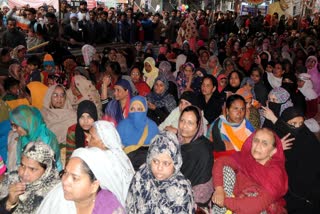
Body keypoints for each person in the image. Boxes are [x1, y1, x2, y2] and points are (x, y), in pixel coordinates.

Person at [212, 128, 288, 213]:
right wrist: (219, 189)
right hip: (233, 202)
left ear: (273, 151)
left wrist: (223, 201)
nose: (258, 146)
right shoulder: (245, 158)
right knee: (226, 169)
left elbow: (252, 207)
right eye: (256, 140)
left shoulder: (275, 175)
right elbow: (220, 161)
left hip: (258, 209)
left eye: (264, 143)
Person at [264, 107, 320, 213]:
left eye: (300, 123)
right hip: (291, 191)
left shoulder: (307, 136)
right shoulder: (277, 138)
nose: (297, 127)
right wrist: (278, 149)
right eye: (293, 124)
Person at [37, 147, 126, 214]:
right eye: (65, 173)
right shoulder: (58, 197)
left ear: (94, 185)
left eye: (74, 178)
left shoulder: (108, 208)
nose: (65, 181)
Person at [126, 132, 195, 213]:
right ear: (149, 159)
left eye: (166, 163)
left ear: (175, 163)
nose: (159, 168)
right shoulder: (142, 175)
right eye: (155, 161)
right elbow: (129, 206)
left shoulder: (182, 190)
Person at [0, 142, 60, 213]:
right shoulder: (11, 180)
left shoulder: (55, 193)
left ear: (47, 170)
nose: (24, 173)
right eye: (22, 165)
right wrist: (9, 202)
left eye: (32, 169)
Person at [178, 105, 213, 211]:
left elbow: (200, 187)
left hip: (195, 201)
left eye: (190, 123)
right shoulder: (177, 142)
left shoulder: (202, 149)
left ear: (198, 126)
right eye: (182, 120)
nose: (184, 126)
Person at [9, 105, 62, 171]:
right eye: (12, 125)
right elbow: (20, 163)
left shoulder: (45, 140)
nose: (14, 130)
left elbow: (43, 170)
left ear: (26, 123)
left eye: (16, 126)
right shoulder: (25, 136)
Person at [117, 96, 159, 170]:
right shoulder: (122, 126)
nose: (136, 112)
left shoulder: (152, 127)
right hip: (125, 167)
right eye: (132, 109)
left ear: (145, 110)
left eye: (139, 109)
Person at [207, 94, 254, 159]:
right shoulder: (218, 126)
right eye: (235, 109)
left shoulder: (248, 127)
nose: (239, 113)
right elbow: (208, 149)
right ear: (227, 110)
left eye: (242, 109)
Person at [42, 84, 77, 166]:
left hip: (68, 157)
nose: (59, 98)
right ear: (49, 97)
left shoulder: (72, 115)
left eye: (62, 95)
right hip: (47, 156)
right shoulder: (43, 115)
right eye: (55, 95)